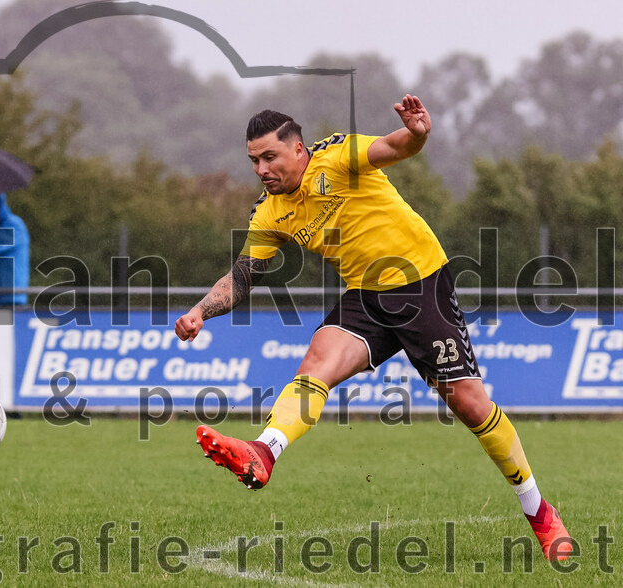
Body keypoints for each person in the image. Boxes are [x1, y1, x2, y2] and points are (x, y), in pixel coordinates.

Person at [176, 95, 573, 562]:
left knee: (470, 405)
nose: (261, 169)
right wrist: (201, 311)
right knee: (317, 363)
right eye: (254, 161)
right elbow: (242, 277)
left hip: (420, 282)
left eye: (270, 157)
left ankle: (539, 511)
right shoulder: (270, 212)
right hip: (365, 295)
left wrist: (418, 132)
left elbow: (396, 146)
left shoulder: (337, 157)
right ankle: (263, 452)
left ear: (298, 149)